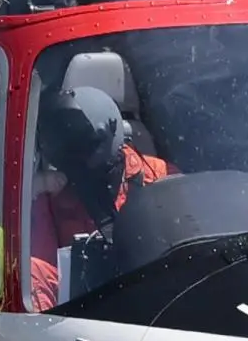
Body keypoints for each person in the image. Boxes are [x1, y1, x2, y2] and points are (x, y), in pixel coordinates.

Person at [26, 86, 170, 311]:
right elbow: (40, 274)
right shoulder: (52, 204)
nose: (92, 178)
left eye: (104, 169)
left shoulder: (160, 177)